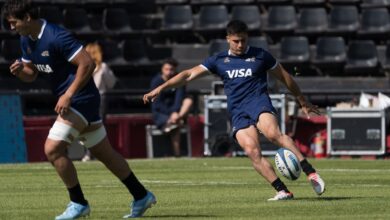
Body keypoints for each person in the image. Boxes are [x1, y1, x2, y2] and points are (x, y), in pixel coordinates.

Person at [2, 0, 155, 219]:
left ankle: (78, 203)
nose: (11, 28)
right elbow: (31, 74)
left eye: (13, 23)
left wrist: (68, 94)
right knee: (105, 154)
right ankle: (141, 195)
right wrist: (20, 72)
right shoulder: (26, 39)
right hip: (75, 100)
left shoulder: (56, 36)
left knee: (52, 149)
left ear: (27, 18)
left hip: (81, 98)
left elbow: (88, 63)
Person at [144, 20, 326, 200]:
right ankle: (282, 191)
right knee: (252, 152)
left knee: (273, 134)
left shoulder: (261, 56)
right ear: (228, 39)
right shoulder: (219, 60)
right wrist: (161, 88)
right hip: (237, 110)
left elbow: (285, 77)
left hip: (258, 102)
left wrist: (301, 100)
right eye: (236, 41)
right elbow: (188, 74)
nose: (240, 45)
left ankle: (310, 172)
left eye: (243, 41)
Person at [150, 58, 193, 157]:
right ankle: (177, 154)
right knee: (176, 127)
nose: (169, 72)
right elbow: (157, 104)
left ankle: (175, 121)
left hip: (177, 113)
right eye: (166, 69)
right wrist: (171, 113)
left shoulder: (179, 80)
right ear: (162, 69)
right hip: (161, 113)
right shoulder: (156, 81)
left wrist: (175, 113)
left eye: (171, 69)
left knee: (188, 100)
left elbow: (179, 98)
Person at [82, 42, 117, 162]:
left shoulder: (102, 67)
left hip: (94, 98)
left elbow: (111, 83)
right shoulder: (100, 67)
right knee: (92, 125)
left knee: (94, 125)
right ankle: (90, 153)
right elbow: (111, 83)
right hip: (94, 97)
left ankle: (91, 153)